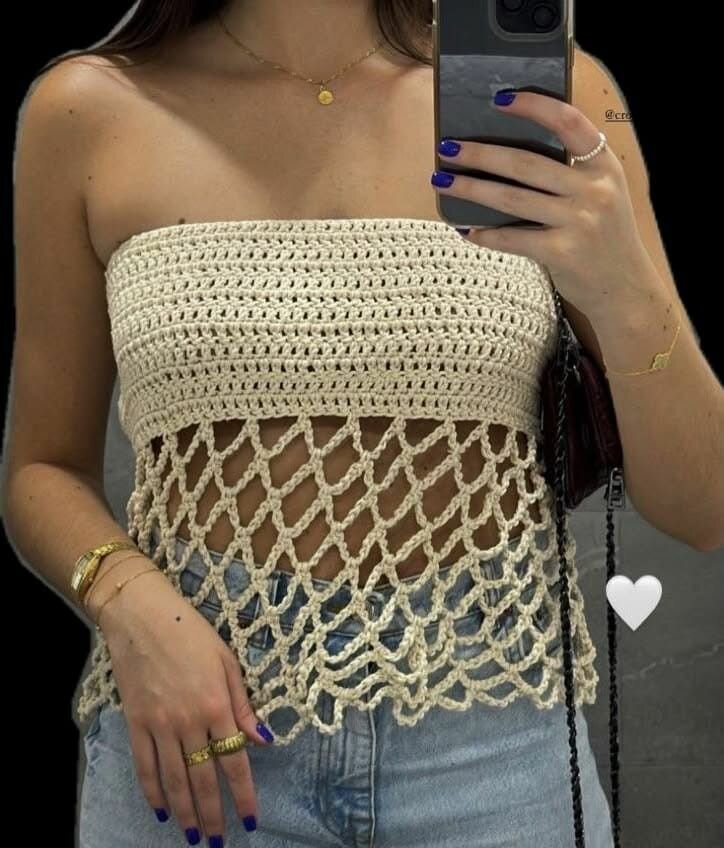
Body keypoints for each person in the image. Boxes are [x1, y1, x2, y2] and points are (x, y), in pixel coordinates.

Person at [6, 1, 718, 847]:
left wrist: (623, 287)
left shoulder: (557, 97)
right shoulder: (87, 110)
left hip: (492, 739)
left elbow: (704, 505)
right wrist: (129, 604)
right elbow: (42, 468)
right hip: (199, 738)